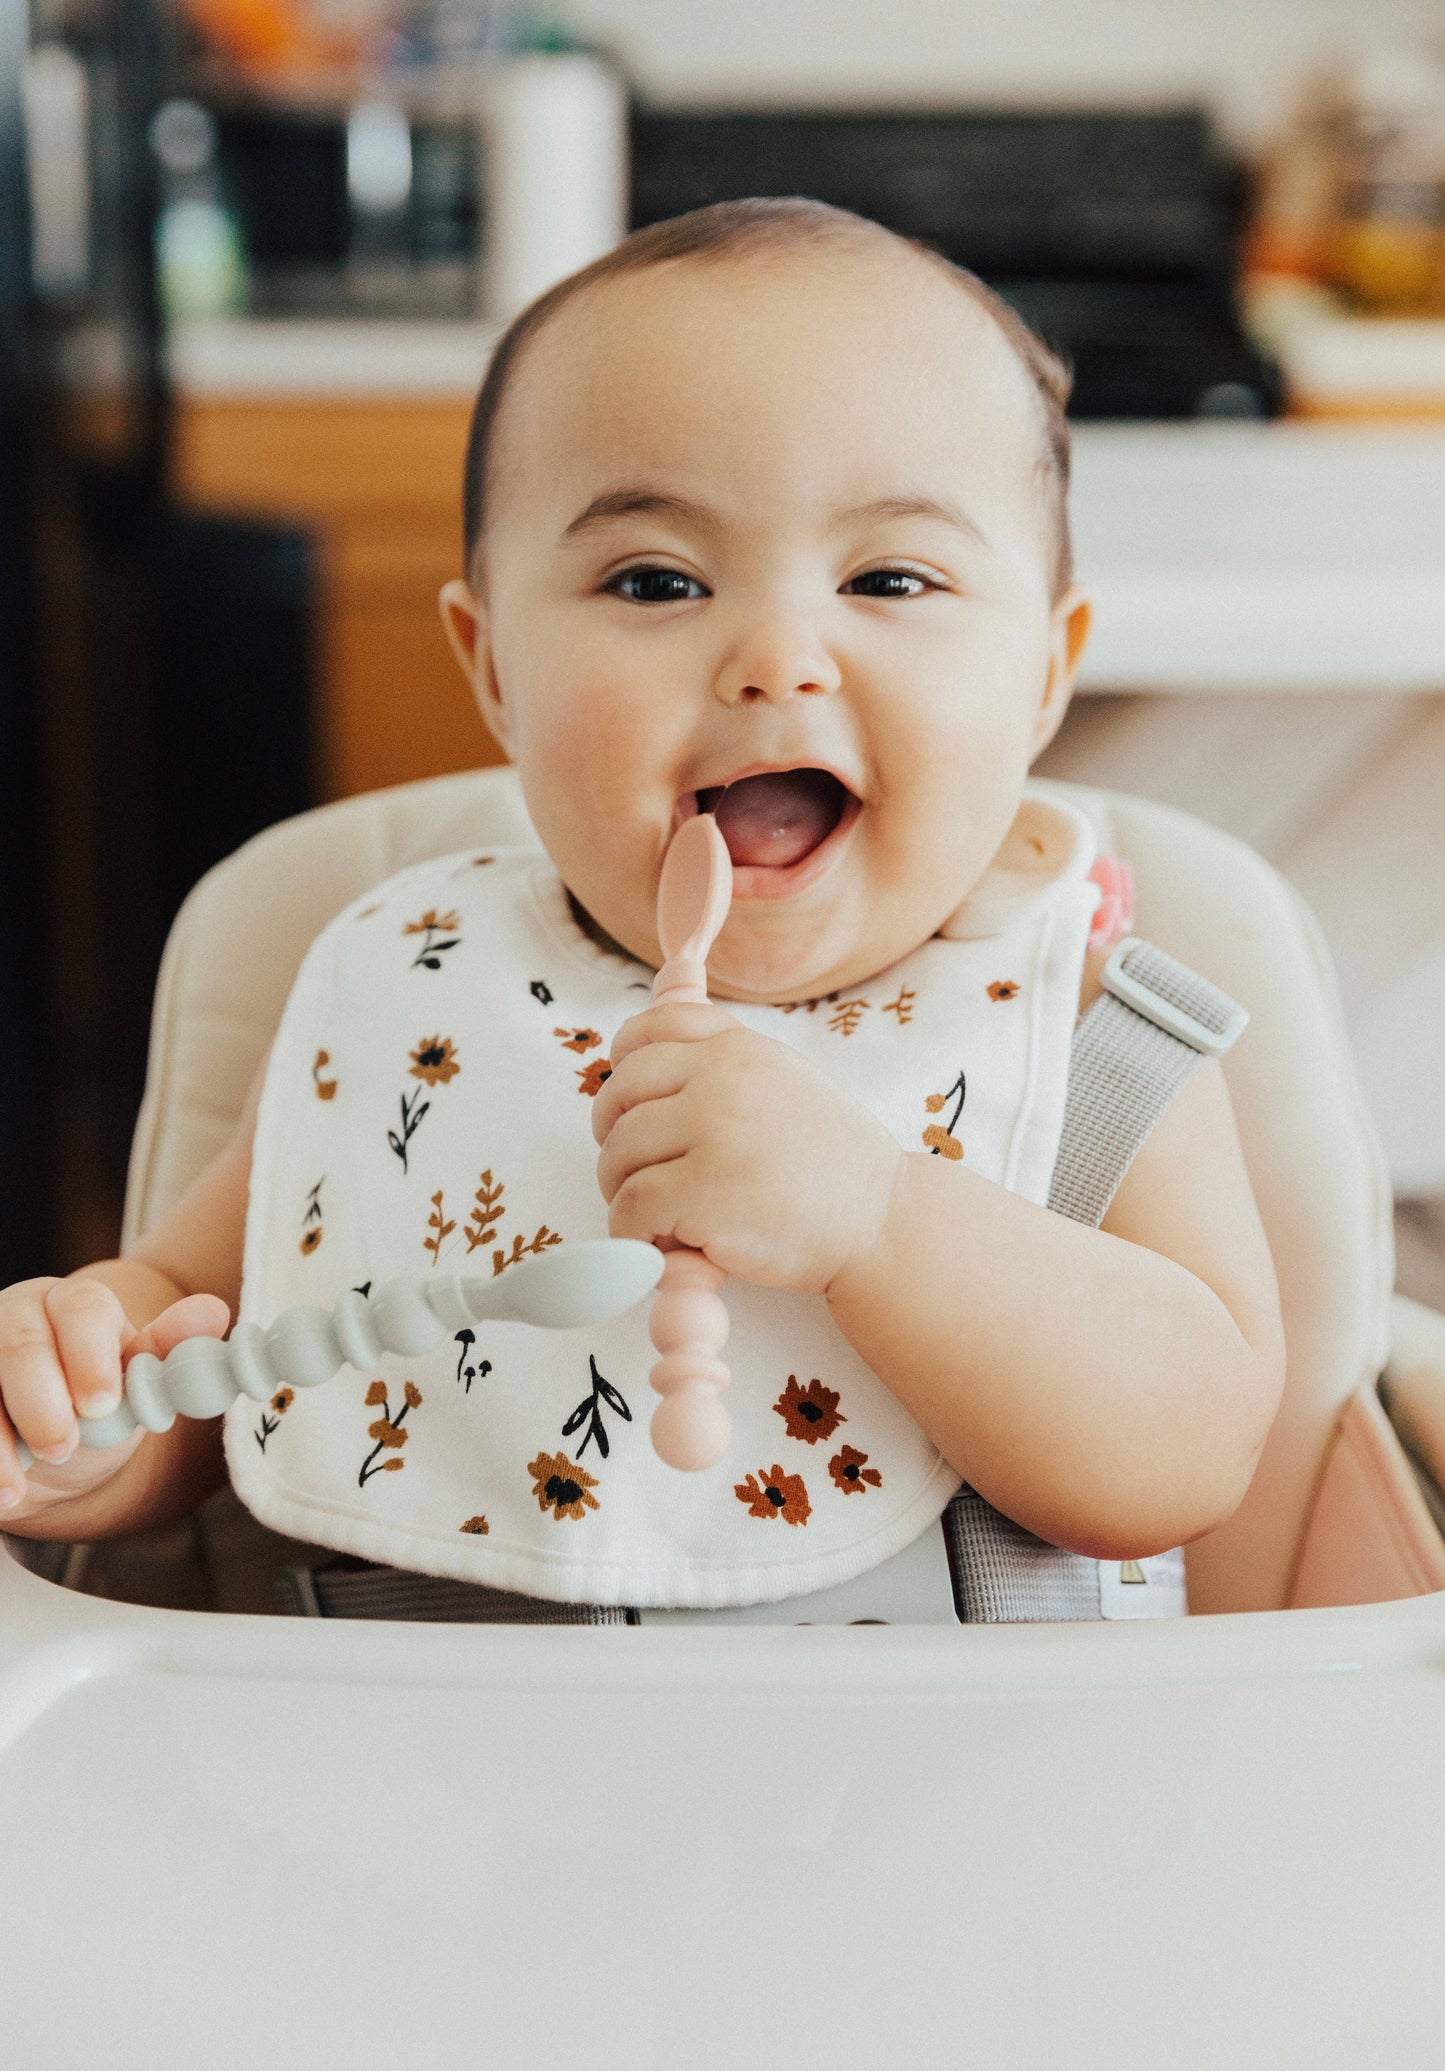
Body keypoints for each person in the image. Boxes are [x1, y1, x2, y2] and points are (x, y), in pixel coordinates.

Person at [0, 200, 1284, 1616]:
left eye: (890, 578)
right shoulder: (406, 986)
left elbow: (1189, 1455)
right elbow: (214, 1363)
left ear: (1045, 671)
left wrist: (871, 1215)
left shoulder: (1088, 1030)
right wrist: (78, 1416)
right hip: (421, 1784)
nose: (776, 658)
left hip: (952, 1798)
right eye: (655, 578)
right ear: (493, 669)